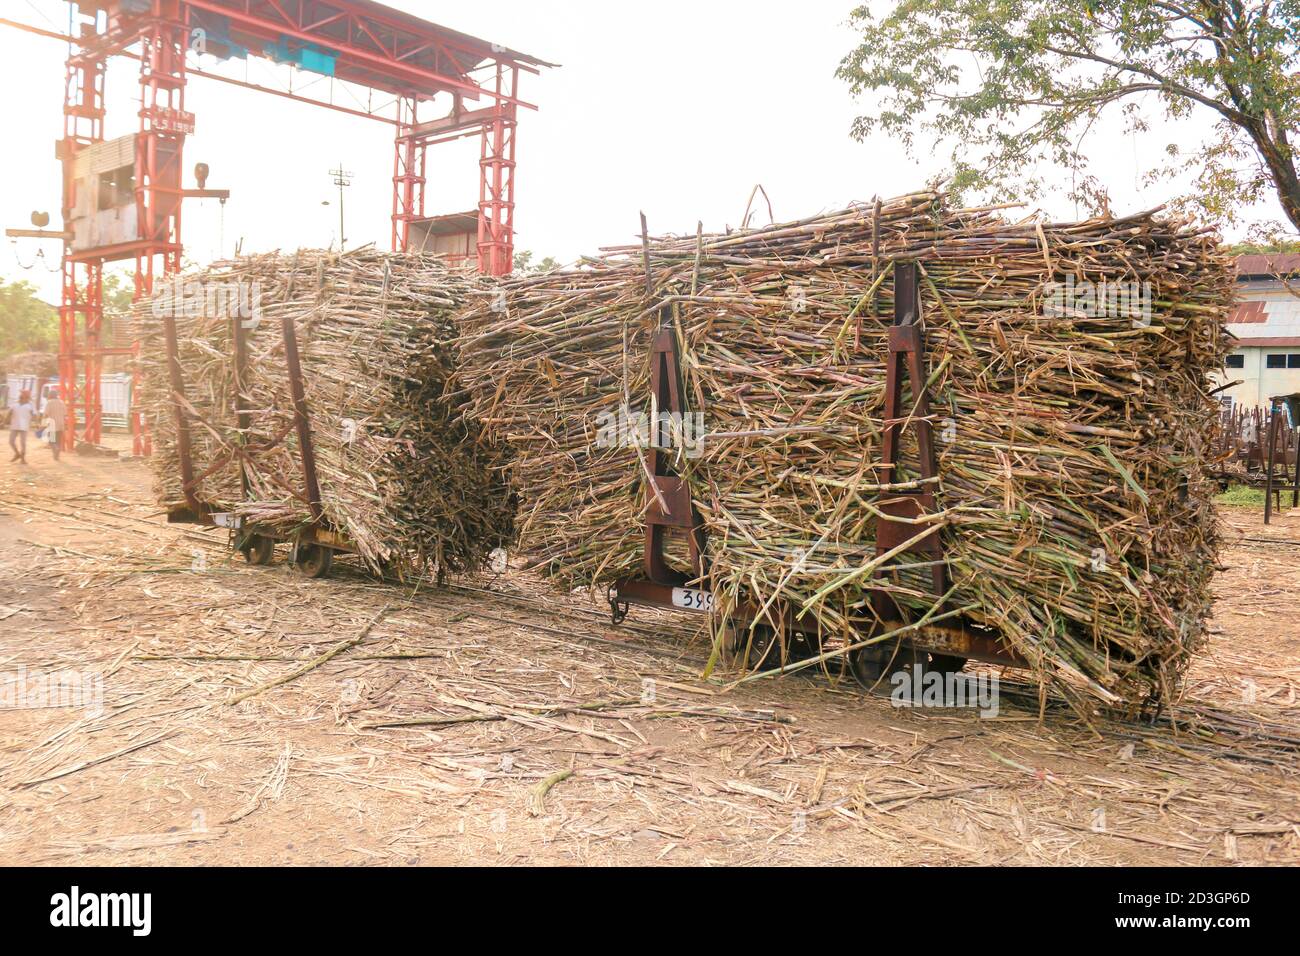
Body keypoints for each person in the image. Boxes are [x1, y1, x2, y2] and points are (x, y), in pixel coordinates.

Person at [9, 390, 36, 465]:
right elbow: (10, 412)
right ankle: (17, 453)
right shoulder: (15, 403)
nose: (22, 395)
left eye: (24, 394)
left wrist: (36, 423)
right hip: (14, 425)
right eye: (22, 393)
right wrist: (4, 422)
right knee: (11, 441)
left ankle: (23, 459)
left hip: (24, 425)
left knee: (23, 443)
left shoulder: (31, 405)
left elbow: (34, 414)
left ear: (27, 396)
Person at [43, 392, 67, 461]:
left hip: (52, 424)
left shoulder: (49, 403)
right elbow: (65, 414)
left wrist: (43, 424)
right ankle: (56, 456)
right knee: (58, 441)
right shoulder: (61, 402)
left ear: (50, 396)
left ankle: (56, 450)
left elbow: (46, 414)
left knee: (51, 441)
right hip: (60, 424)